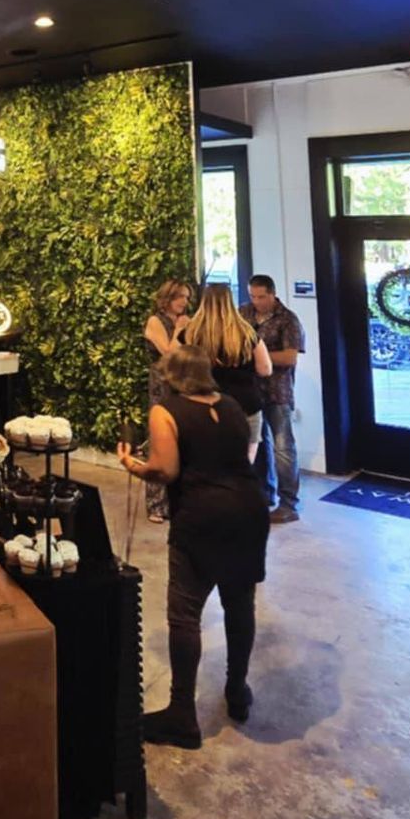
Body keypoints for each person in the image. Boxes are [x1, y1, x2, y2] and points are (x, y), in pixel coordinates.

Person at [116, 346, 269, 749]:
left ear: (172, 374)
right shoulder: (232, 405)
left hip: (201, 516)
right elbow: (243, 455)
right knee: (240, 605)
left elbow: (165, 470)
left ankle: (182, 714)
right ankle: (237, 690)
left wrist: (131, 464)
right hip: (249, 511)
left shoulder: (165, 411)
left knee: (185, 615)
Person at [242, 275, 307, 523]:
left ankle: (289, 504)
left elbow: (290, 357)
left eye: (261, 297)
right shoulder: (244, 313)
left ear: (272, 294)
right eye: (253, 296)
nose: (256, 301)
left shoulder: (288, 319)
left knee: (283, 448)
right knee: (257, 445)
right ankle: (263, 494)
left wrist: (258, 356)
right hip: (251, 391)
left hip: (277, 392)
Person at [140, 278, 193, 523]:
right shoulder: (155, 321)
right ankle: (156, 504)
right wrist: (180, 330)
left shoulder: (185, 320)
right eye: (180, 296)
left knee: (181, 443)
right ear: (168, 298)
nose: (184, 302)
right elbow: (169, 353)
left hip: (182, 386)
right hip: (162, 387)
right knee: (159, 442)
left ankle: (178, 501)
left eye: (187, 297)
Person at [182, 283, 271, 423]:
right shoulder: (246, 332)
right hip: (244, 404)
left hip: (202, 403)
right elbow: (265, 369)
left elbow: (174, 362)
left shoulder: (190, 333)